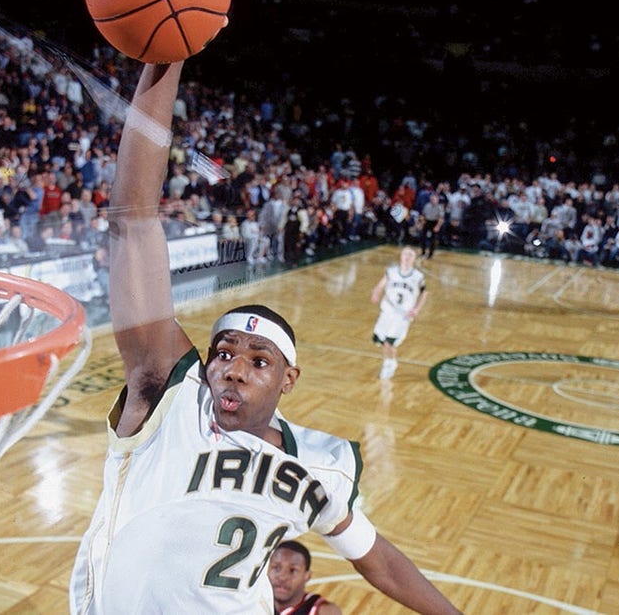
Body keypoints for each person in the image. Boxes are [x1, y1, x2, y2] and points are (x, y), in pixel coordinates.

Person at [69, 62, 462, 615]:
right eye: (223, 353)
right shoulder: (169, 400)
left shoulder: (321, 465)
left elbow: (379, 561)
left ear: (288, 379)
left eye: (259, 361)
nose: (233, 368)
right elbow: (132, 222)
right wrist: (166, 57)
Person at [370, 246, 427, 380]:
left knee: (390, 341)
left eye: (411, 255)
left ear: (414, 259)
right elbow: (380, 285)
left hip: (403, 314)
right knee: (381, 339)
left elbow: (424, 292)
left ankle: (389, 364)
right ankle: (389, 361)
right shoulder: (391, 272)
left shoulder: (418, 276)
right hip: (387, 310)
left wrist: (417, 309)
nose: (407, 257)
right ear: (400, 256)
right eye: (405, 254)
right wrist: (376, 293)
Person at [268, 540, 343, 615]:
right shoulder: (258, 601)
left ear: (307, 576)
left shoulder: (324, 611)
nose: (282, 577)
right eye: (276, 568)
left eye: (293, 570)